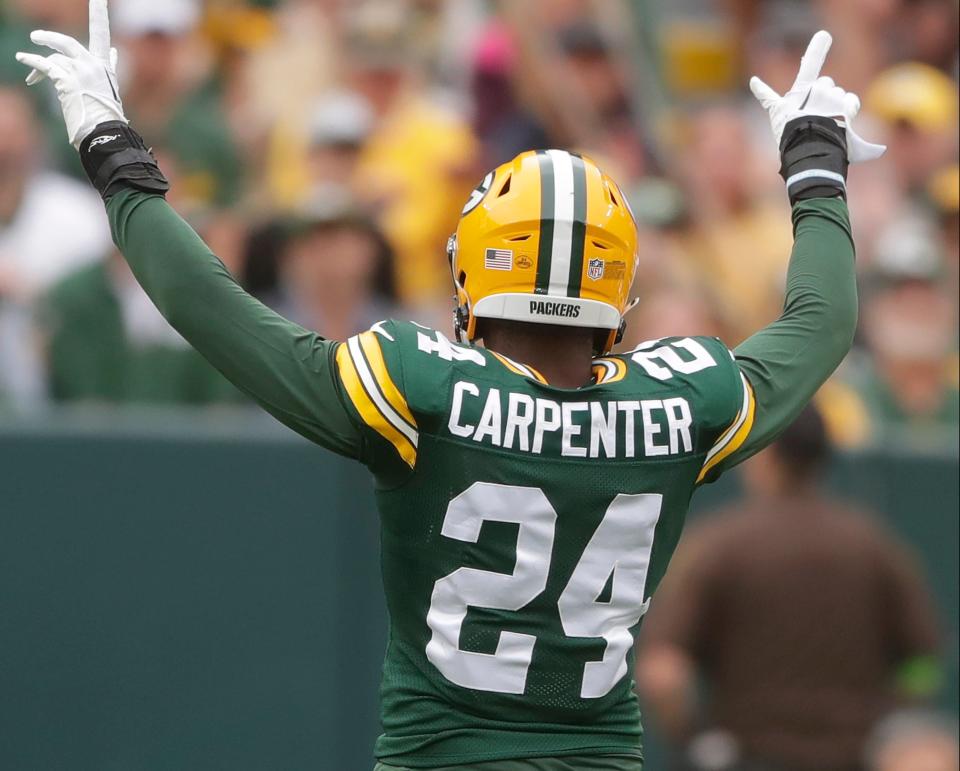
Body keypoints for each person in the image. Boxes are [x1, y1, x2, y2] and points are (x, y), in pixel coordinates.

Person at [17, 6, 884, 769]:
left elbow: (211, 309)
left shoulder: (421, 386)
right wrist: (816, 163)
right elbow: (823, 322)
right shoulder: (677, 403)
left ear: (474, 271)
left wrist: (112, 152)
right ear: (617, 289)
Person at [636, 405, 942, 771]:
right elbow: (924, 662)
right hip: (853, 758)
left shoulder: (719, 547)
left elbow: (663, 674)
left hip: (747, 757)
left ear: (762, 456)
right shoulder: (874, 546)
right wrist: (894, 715)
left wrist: (693, 740)